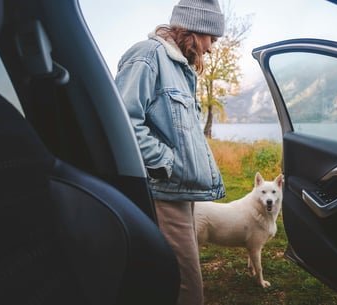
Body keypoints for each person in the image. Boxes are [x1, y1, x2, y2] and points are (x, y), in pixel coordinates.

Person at [114, 0, 226, 304]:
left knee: (178, 283)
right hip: (163, 191)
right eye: (211, 39)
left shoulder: (180, 69)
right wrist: (167, 162)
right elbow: (123, 122)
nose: (212, 49)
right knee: (186, 287)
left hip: (179, 190)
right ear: (195, 29)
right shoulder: (147, 55)